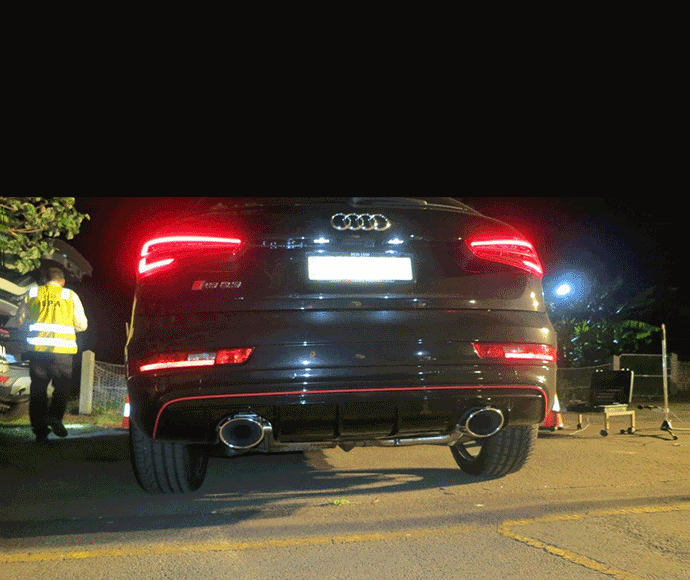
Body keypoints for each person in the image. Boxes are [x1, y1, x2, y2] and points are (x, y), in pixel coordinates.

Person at [14, 267, 88, 442]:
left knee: (38, 390)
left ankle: (40, 430)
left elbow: (20, 321)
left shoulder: (32, 293)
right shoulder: (70, 296)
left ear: (44, 281)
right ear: (62, 282)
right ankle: (55, 417)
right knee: (62, 388)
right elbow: (82, 325)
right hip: (62, 352)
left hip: (38, 352)